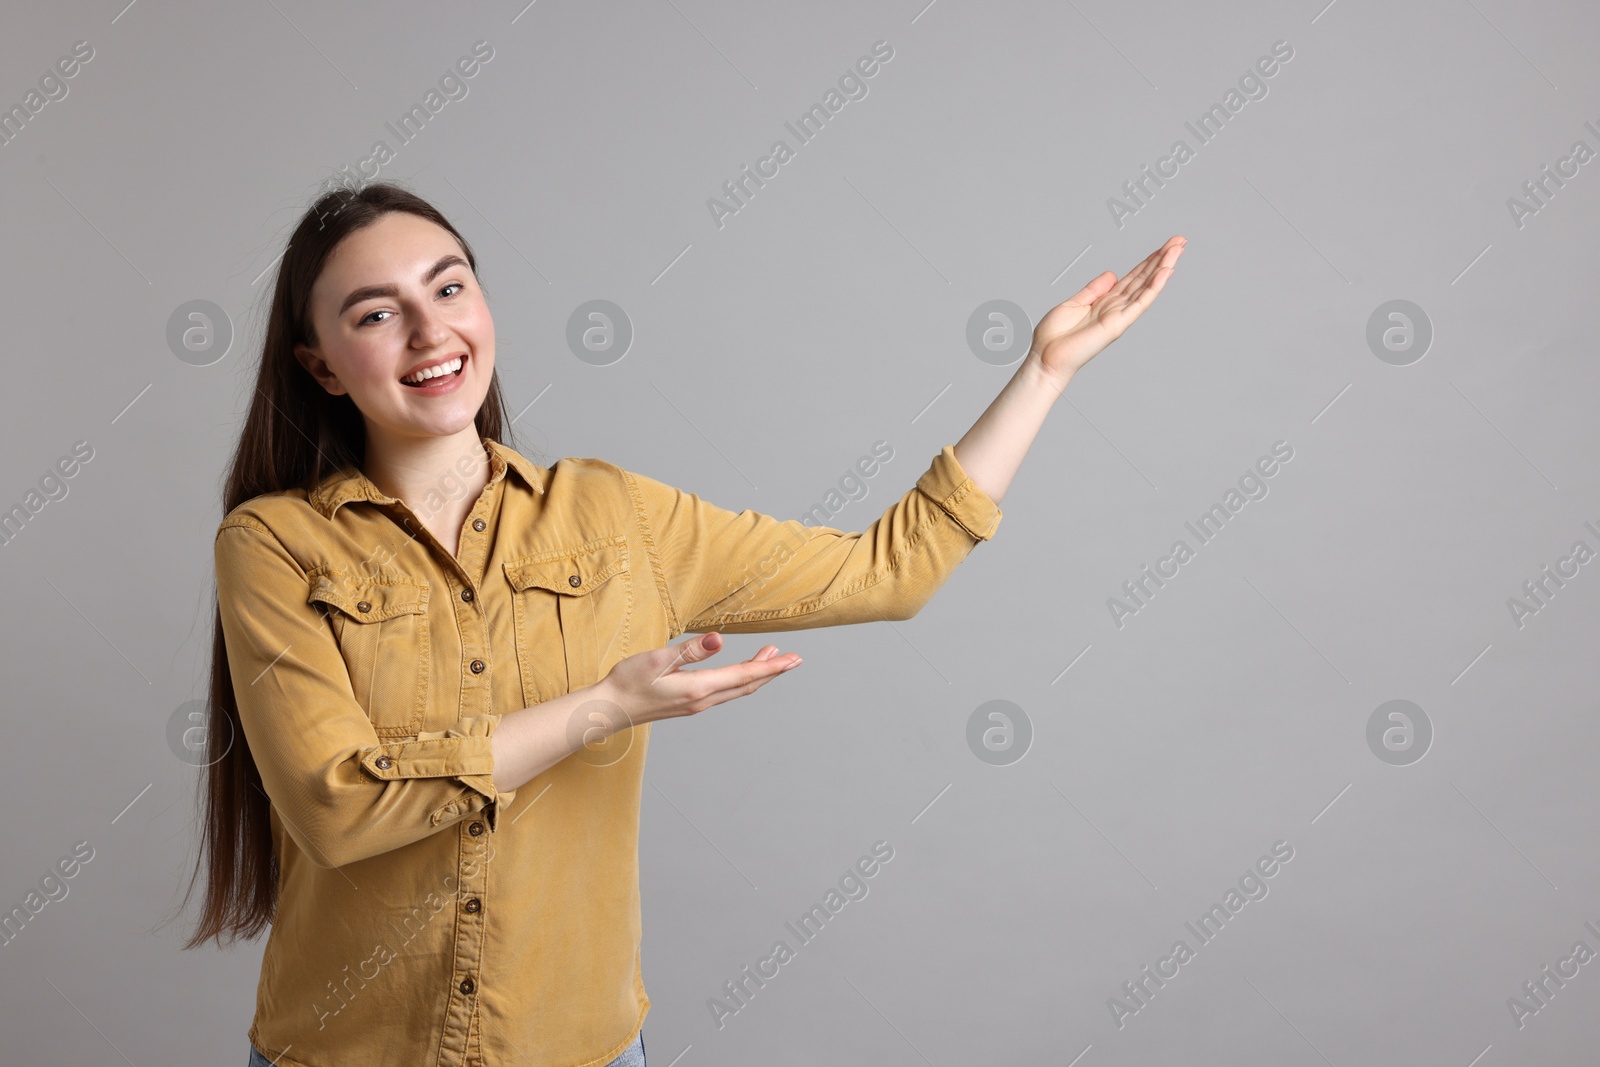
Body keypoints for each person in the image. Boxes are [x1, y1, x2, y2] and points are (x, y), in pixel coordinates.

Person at [176, 179, 1183, 1067]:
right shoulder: (274, 545)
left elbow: (891, 568)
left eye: (448, 287)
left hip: (578, 1046)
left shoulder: (619, 519)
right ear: (319, 365)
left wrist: (1044, 371)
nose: (430, 330)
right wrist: (599, 709)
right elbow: (337, 807)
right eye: (375, 313)